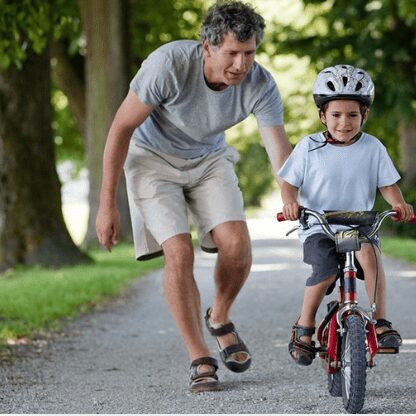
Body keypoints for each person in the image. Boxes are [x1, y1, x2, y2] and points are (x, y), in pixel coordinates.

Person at [95, 1, 292, 392]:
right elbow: (120, 128)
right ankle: (199, 355)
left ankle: (219, 317)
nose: (241, 64)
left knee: (236, 244)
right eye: (232, 53)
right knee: (179, 251)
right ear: (207, 46)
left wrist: (290, 197)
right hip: (151, 160)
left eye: (249, 53)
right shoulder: (168, 65)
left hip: (207, 159)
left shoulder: (260, 84)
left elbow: (278, 149)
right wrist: (106, 205)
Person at [278, 65, 415, 366]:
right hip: (319, 225)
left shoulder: (373, 147)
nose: (344, 122)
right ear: (322, 116)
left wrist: (400, 205)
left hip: (359, 223)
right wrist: (290, 203)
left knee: (371, 254)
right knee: (325, 271)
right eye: (336, 115)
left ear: (364, 116)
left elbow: (387, 185)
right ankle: (305, 326)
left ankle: (380, 322)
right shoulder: (308, 147)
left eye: (353, 115)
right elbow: (288, 183)